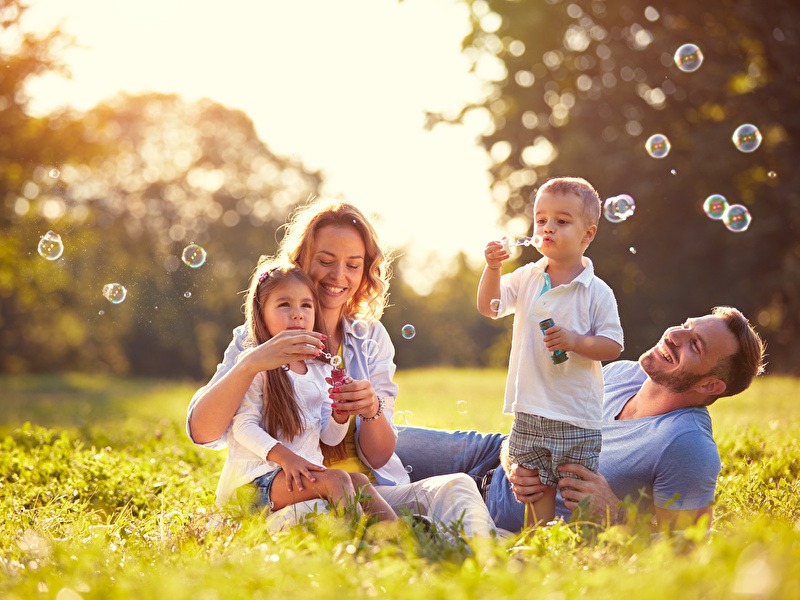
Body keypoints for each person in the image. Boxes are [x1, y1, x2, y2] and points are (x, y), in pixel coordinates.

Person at [188, 199, 495, 537]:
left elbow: (376, 457)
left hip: (368, 491)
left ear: (366, 270)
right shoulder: (257, 339)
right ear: (301, 260)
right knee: (326, 517)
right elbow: (203, 432)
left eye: (353, 264)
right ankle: (396, 547)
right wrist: (249, 363)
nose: (339, 276)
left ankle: (487, 563)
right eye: (325, 261)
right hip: (293, 495)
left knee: (457, 487)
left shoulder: (370, 338)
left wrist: (369, 409)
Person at [394, 306, 766, 533]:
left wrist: (616, 515)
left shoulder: (687, 445)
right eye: (686, 325)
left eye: (695, 344)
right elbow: (538, 420)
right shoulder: (622, 373)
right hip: (490, 454)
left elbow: (685, 551)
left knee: (368, 500)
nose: (674, 335)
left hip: (503, 512)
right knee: (371, 439)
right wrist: (512, 455)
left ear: (710, 384)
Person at [477, 176, 624, 525]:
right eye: (541, 220)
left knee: (577, 489)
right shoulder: (528, 277)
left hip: (575, 412)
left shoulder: (596, 292)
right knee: (534, 486)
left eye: (561, 221)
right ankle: (540, 543)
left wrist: (575, 342)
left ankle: (587, 544)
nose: (547, 228)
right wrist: (493, 268)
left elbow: (613, 345)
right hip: (530, 406)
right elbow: (490, 306)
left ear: (587, 234)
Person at [216, 262, 396, 521]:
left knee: (358, 481)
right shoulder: (256, 364)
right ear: (261, 313)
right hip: (253, 483)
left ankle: (399, 539)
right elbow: (242, 426)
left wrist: (339, 416)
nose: (298, 314)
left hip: (298, 477)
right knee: (336, 479)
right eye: (284, 305)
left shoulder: (318, 370)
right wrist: (287, 459)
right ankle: (360, 545)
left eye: (306, 305)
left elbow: (330, 438)